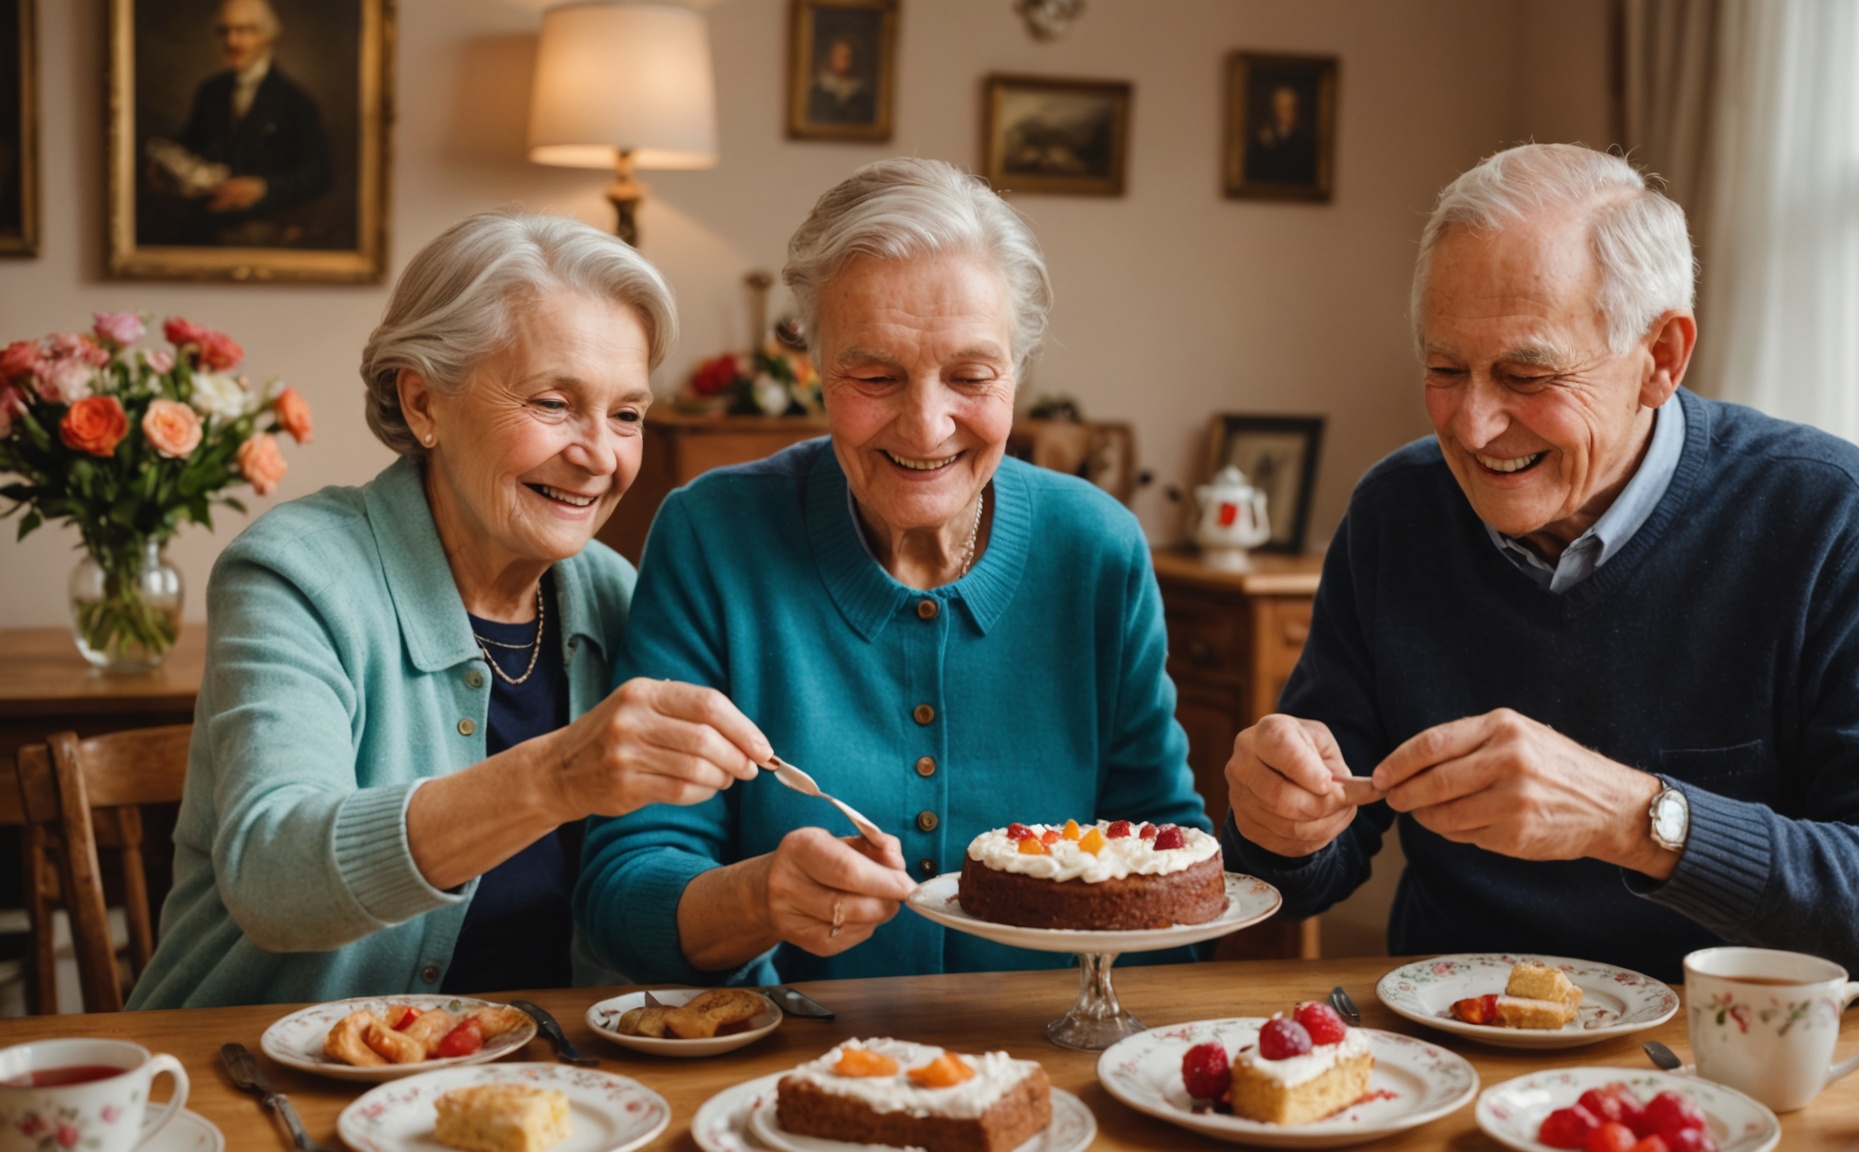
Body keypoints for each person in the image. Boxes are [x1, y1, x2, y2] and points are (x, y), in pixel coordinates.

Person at [1221, 143, 1859, 990]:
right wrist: (1281, 826)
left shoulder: (1828, 516)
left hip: (1720, 1066)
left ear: (1661, 357)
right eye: (1446, 370)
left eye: (1527, 374)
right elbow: (1303, 876)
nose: (1475, 426)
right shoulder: (1395, 512)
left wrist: (1634, 819)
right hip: (1445, 1046)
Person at [577, 157, 1209, 986]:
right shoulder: (713, 536)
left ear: (1019, 370)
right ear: (813, 364)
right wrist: (757, 899)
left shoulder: (1096, 549)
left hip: (1053, 1054)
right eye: (874, 377)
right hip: (787, 1070)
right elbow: (626, 886)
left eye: (971, 377)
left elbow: (1178, 875)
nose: (926, 424)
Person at [129, 211, 772, 1008]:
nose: (601, 455)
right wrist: (557, 776)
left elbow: (647, 886)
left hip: (539, 1096)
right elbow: (273, 875)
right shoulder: (297, 571)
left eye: (627, 414)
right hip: (257, 1076)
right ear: (425, 403)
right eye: (551, 402)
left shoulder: (613, 594)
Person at [160, 0, 334, 246]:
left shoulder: (295, 101)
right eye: (225, 31)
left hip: (267, 232)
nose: (232, 42)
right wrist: (165, 169)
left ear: (267, 35)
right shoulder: (210, 91)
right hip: (205, 230)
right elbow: (188, 146)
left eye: (244, 30)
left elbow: (320, 174)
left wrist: (263, 189)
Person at [1245, 82, 1316, 187]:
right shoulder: (1261, 140)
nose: (1288, 113)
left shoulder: (1305, 143)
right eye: (1283, 108)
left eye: (1291, 108)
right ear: (1274, 109)